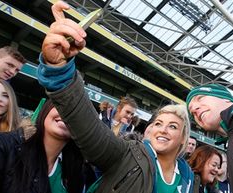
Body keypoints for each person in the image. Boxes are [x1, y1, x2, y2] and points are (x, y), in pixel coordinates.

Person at [37, 2, 194, 193]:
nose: (163, 130)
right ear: (149, 130)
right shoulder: (126, 153)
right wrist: (59, 71)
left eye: (173, 126)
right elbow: (88, 126)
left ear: (183, 138)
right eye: (158, 123)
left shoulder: (188, 178)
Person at [0, 100, 95, 193]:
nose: (67, 115)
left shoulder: (78, 172)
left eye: (78, 114)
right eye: (61, 106)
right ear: (46, 110)